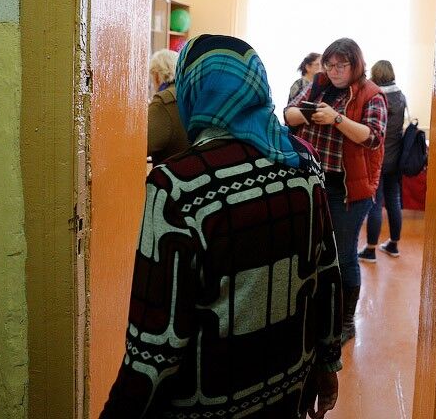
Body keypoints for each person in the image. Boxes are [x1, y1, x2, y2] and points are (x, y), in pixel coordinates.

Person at [102, 35, 342, 419]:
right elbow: (326, 272)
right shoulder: (303, 162)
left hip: (208, 402)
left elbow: (156, 346)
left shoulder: (177, 185)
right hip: (287, 387)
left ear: (191, 89)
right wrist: (328, 363)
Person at [284, 38, 386, 344]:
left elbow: (373, 137)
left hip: (347, 190)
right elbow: (288, 115)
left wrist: (337, 118)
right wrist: (312, 113)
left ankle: (346, 322)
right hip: (312, 181)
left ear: (356, 65)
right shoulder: (319, 84)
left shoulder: (371, 94)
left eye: (341, 65)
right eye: (329, 65)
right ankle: (319, 312)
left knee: (344, 255)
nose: (334, 71)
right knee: (312, 251)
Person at [359, 60, 406, 262]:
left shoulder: (374, 96)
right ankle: (393, 245)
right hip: (396, 158)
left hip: (377, 157)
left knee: (375, 204)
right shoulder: (401, 96)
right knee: (394, 200)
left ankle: (370, 250)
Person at [147, 49, 190, 165]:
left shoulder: (163, 102)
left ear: (157, 76)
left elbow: (141, 146)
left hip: (171, 172)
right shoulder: (190, 92)